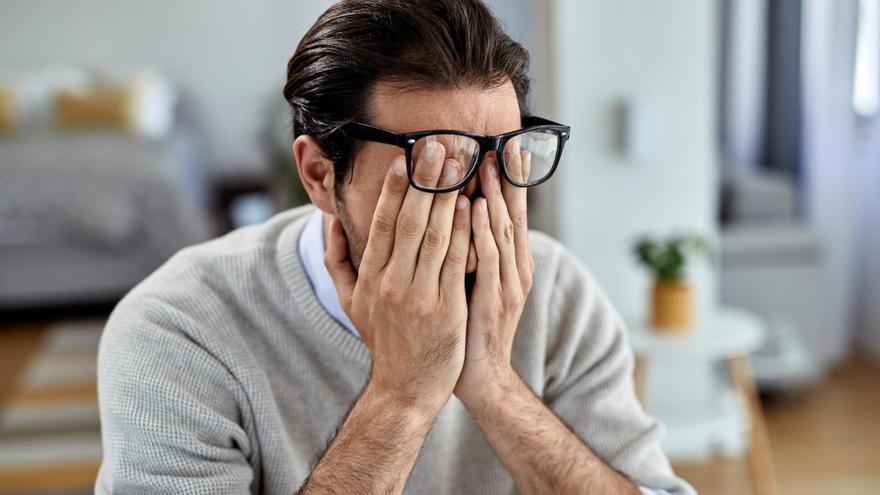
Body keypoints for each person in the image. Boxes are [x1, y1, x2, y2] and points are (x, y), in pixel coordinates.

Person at [96, 1, 695, 493]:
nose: (480, 207)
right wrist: (402, 395)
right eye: (435, 168)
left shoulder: (558, 292)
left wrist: (494, 386)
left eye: (503, 160)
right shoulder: (178, 329)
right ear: (319, 175)